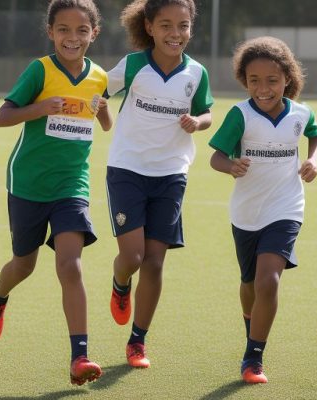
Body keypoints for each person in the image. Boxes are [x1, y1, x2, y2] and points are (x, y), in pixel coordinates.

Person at [0, 0, 111, 385]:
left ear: (94, 33)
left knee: (70, 264)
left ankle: (80, 357)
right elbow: (2, 116)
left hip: (72, 185)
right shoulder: (39, 70)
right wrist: (39, 108)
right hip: (28, 184)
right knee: (24, 264)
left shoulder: (99, 76)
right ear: (51, 32)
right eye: (64, 30)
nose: (73, 38)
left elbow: (103, 122)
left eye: (81, 31)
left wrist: (101, 108)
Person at [208, 36, 317, 384]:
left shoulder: (301, 114)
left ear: (287, 77)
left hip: (286, 207)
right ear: (245, 80)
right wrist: (231, 167)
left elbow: (315, 135)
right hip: (246, 212)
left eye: (272, 80)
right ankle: (250, 325)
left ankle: (253, 357)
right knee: (249, 285)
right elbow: (216, 157)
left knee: (268, 280)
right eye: (254, 80)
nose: (263, 88)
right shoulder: (240, 115)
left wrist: (313, 160)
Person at [106, 0, 212, 370]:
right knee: (132, 259)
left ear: (190, 28)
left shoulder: (196, 72)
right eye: (166, 25)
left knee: (153, 263)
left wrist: (197, 123)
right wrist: (95, 106)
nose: (175, 33)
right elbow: (98, 91)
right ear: (149, 27)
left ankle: (137, 341)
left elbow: (207, 112)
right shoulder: (134, 66)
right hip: (127, 170)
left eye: (182, 25)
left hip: (171, 175)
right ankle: (120, 284)